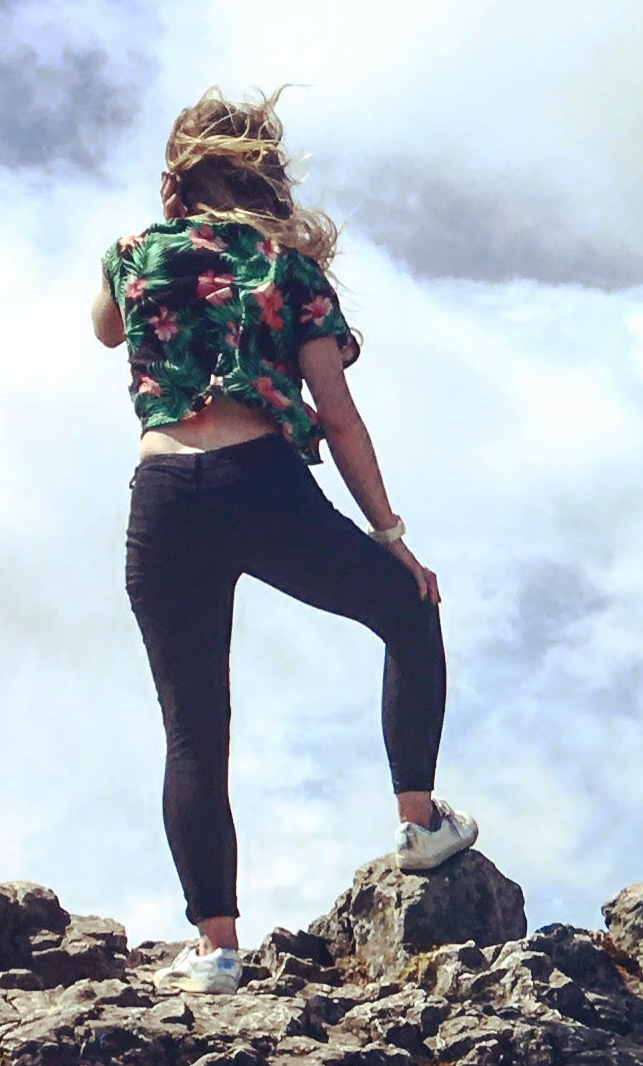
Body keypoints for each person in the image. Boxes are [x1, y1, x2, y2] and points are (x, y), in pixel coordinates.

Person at [98, 87, 475, 991]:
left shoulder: (128, 258)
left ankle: (216, 948)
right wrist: (390, 536)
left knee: (195, 729)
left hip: (163, 501)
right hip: (261, 484)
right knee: (407, 611)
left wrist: (161, 239)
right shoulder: (290, 272)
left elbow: (107, 330)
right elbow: (338, 419)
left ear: (171, 185)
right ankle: (420, 826)